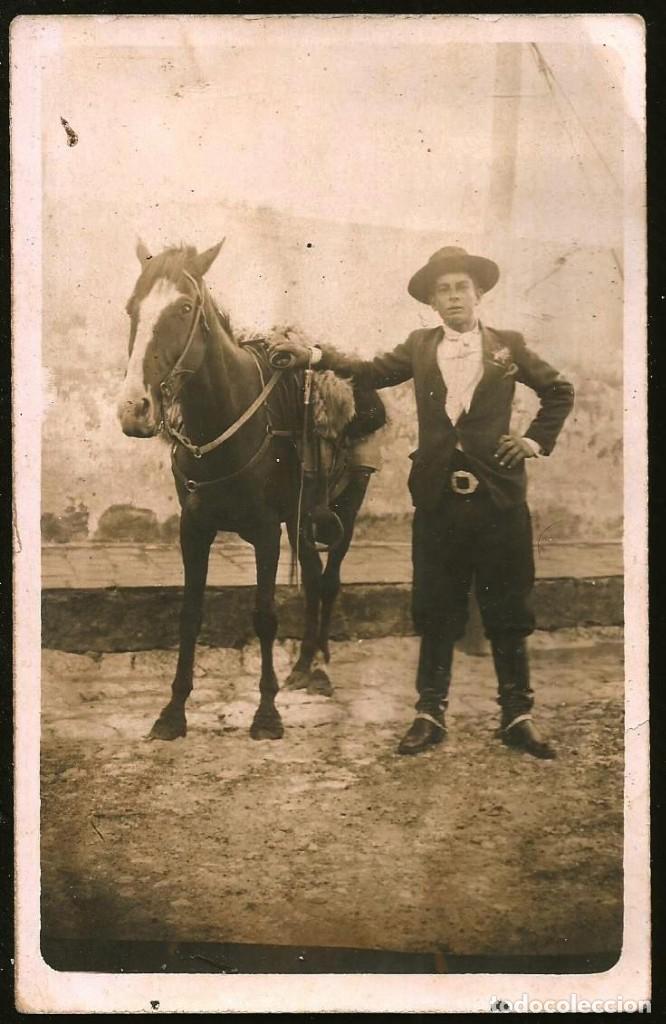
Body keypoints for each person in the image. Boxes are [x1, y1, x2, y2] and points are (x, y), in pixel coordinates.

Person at [269, 246, 574, 759]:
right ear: (432, 302)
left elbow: (559, 391)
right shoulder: (418, 345)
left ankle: (517, 715)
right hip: (438, 500)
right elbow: (366, 371)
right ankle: (429, 714)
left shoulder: (508, 346)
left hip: (500, 499)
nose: (453, 297)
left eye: (461, 287)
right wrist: (315, 358)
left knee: (508, 606)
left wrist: (532, 441)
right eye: (443, 290)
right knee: (436, 606)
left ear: (478, 294)